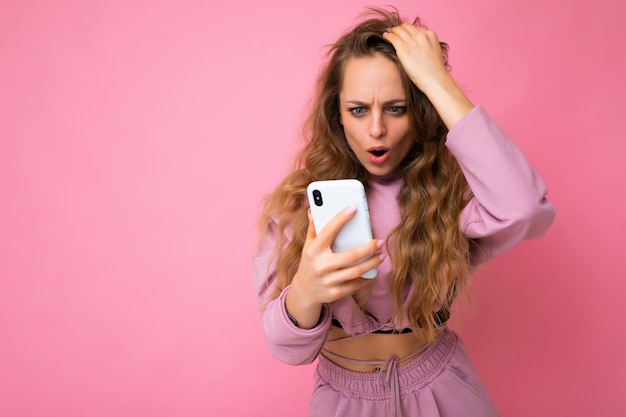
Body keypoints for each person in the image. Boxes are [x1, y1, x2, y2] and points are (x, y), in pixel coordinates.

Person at [253, 7, 555, 417]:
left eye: (395, 108)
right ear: (336, 115)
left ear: (420, 109)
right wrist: (306, 291)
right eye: (358, 110)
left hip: (443, 385)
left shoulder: (449, 193)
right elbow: (286, 351)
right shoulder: (297, 204)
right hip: (343, 398)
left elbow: (525, 209)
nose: (376, 129)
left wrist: (436, 80)